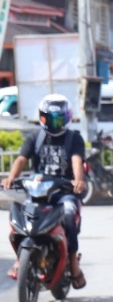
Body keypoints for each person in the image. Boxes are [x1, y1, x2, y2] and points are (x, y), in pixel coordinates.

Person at [2, 94, 88, 289]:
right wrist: (11, 177)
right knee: (18, 218)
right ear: (42, 118)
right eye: (49, 119)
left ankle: (73, 263)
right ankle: (20, 259)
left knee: (68, 215)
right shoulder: (35, 137)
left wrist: (78, 180)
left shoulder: (74, 139)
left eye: (58, 119)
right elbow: (21, 159)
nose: (54, 124)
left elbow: (76, 160)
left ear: (66, 118)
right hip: (38, 192)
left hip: (64, 192)